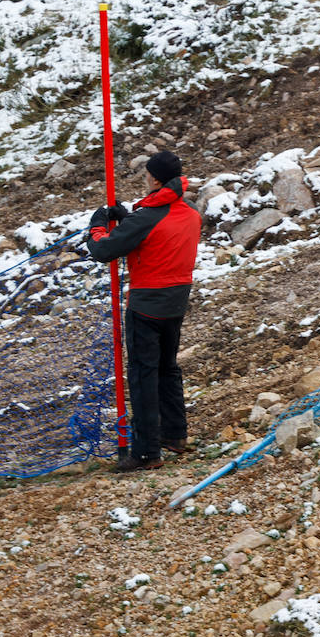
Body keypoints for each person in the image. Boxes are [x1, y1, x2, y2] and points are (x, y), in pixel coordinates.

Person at [87, 150, 203, 473]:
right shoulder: (190, 213)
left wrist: (98, 224)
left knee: (142, 376)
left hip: (146, 306)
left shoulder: (147, 217)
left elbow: (103, 249)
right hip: (176, 303)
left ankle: (146, 452)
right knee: (168, 368)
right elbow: (158, 236)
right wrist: (129, 222)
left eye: (147, 173)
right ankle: (175, 435)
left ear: (153, 178)